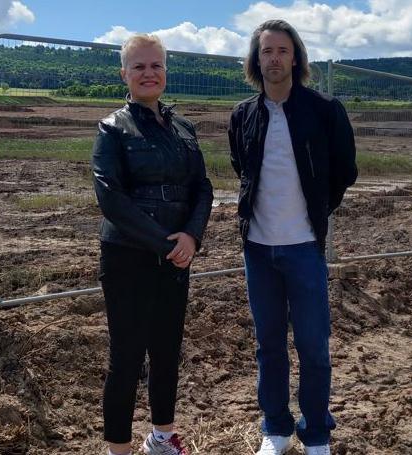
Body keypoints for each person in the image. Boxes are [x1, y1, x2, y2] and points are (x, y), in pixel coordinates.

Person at [227, 20, 357, 455]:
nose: (275, 59)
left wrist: (318, 209)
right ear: (256, 59)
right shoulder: (243, 115)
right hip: (258, 250)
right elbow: (241, 168)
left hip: (304, 247)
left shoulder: (323, 110)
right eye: (267, 51)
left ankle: (317, 433)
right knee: (269, 346)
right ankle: (276, 431)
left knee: (313, 346)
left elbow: (345, 170)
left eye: (283, 50)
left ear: (296, 57)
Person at [92, 34, 213, 455]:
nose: (149, 73)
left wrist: (192, 236)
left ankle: (162, 437)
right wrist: (166, 244)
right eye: (139, 67)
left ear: (166, 71)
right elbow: (112, 200)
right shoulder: (111, 128)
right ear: (124, 74)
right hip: (128, 257)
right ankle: (119, 450)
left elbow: (202, 187)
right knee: (125, 357)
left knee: (167, 351)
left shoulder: (184, 128)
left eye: (156, 65)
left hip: (177, 257)